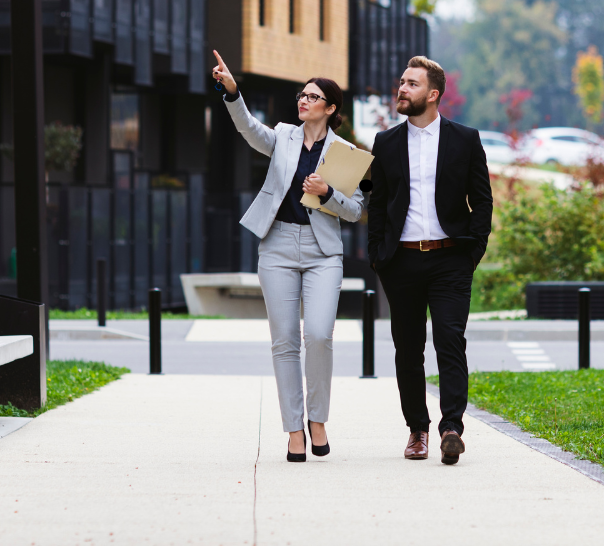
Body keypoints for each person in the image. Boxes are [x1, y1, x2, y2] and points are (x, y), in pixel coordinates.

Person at [211, 50, 369, 463]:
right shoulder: (282, 135)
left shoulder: (346, 154)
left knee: (318, 334)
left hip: (322, 252)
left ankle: (318, 419)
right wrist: (232, 92)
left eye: (313, 97)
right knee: (284, 343)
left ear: (331, 108)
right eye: (302, 95)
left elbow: (356, 211)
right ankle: (295, 430)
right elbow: (248, 128)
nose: (303, 100)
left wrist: (328, 193)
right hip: (277, 245)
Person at [367, 56, 493, 465]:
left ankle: (451, 427)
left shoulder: (465, 139)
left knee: (450, 341)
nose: (402, 89)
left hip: (450, 259)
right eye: (401, 82)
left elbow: (483, 201)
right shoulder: (385, 142)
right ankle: (417, 430)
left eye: (412, 84)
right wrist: (378, 256)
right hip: (400, 261)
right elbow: (379, 203)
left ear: (433, 94)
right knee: (408, 349)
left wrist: (472, 251)